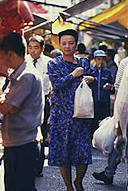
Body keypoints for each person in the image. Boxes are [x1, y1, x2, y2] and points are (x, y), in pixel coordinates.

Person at [47, 29, 94, 191]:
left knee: (83, 152)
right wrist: (73, 75)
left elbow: (93, 77)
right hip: (61, 115)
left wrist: (91, 78)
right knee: (63, 152)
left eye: (71, 43)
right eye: (64, 43)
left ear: (76, 45)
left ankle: (78, 181)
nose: (67, 46)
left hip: (81, 114)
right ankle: (68, 186)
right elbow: (57, 84)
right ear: (59, 44)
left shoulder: (84, 63)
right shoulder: (53, 63)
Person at [0, 32, 43, 191]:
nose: (1, 60)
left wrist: (7, 103)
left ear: (10, 54)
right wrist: (8, 104)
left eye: (1, 55)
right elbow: (8, 105)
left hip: (23, 144)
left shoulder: (26, 76)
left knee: (21, 187)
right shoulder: (17, 74)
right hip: (17, 142)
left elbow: (4, 106)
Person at [92, 56, 128, 184]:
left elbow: (117, 87)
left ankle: (109, 172)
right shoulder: (124, 63)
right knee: (119, 141)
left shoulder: (125, 63)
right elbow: (117, 87)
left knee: (119, 142)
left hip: (124, 111)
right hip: (125, 112)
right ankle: (109, 172)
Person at [26, 35, 52, 177]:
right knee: (27, 134)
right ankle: (28, 165)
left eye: (36, 48)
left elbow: (53, 86)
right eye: (30, 47)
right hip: (26, 103)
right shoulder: (24, 62)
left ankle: (38, 167)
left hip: (43, 102)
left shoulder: (49, 63)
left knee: (40, 133)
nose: (32, 51)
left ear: (42, 48)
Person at [90, 50, 114, 138]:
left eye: (102, 59)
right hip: (94, 101)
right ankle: (92, 139)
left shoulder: (107, 72)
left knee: (104, 121)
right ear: (95, 59)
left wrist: (109, 86)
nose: (100, 61)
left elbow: (113, 85)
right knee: (93, 121)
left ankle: (103, 139)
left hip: (104, 101)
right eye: (98, 59)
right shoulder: (91, 71)